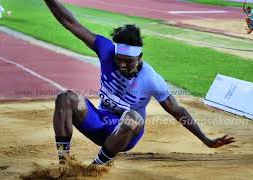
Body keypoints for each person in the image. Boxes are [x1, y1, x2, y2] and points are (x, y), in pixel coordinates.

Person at [44, 0, 235, 166]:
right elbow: (70, 22)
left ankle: (96, 167)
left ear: (140, 58)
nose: (122, 64)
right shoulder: (106, 50)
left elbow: (177, 111)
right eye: (119, 59)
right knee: (66, 98)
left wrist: (206, 140)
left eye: (128, 61)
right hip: (99, 121)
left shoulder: (150, 79)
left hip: (126, 134)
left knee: (132, 117)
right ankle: (64, 164)